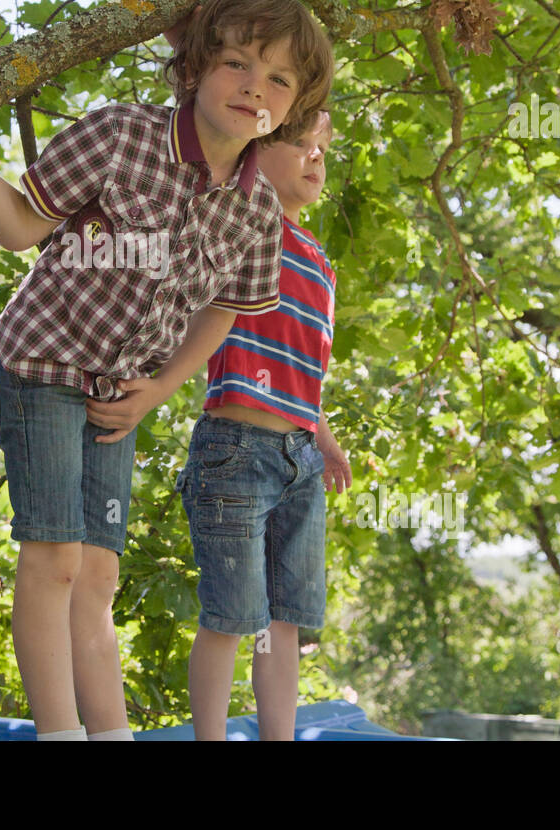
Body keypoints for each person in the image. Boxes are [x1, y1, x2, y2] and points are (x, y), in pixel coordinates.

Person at [0, 0, 334, 740]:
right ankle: (61, 734)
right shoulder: (121, 136)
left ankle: (111, 734)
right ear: (193, 70)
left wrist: (159, 390)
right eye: (237, 63)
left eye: (279, 78)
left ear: (292, 108)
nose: (255, 85)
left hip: (119, 391)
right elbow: (21, 228)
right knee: (53, 559)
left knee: (98, 576)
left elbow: (228, 310)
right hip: (41, 364)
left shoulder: (255, 209)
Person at [173, 106, 353, 741]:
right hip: (235, 449)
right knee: (231, 616)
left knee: (286, 620)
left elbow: (305, 376)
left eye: (322, 149)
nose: (315, 157)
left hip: (299, 456)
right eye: (299, 144)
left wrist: (325, 443)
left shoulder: (322, 263)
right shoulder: (244, 225)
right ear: (256, 152)